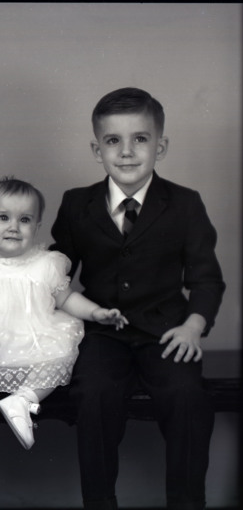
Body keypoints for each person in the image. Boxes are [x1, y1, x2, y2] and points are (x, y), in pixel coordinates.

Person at [50, 87, 225, 510]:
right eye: (113, 140)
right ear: (97, 150)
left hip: (166, 332)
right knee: (93, 395)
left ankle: (186, 502)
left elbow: (206, 280)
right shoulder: (76, 204)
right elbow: (56, 273)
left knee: (187, 397)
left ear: (160, 147)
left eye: (140, 139)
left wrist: (193, 326)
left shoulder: (184, 204)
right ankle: (99, 501)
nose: (126, 152)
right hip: (100, 333)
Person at [0, 177, 126, 451]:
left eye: (24, 220)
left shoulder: (46, 264)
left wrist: (96, 312)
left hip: (35, 337)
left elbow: (67, 298)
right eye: (3, 217)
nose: (13, 227)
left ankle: (23, 399)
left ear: (37, 227)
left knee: (61, 354)